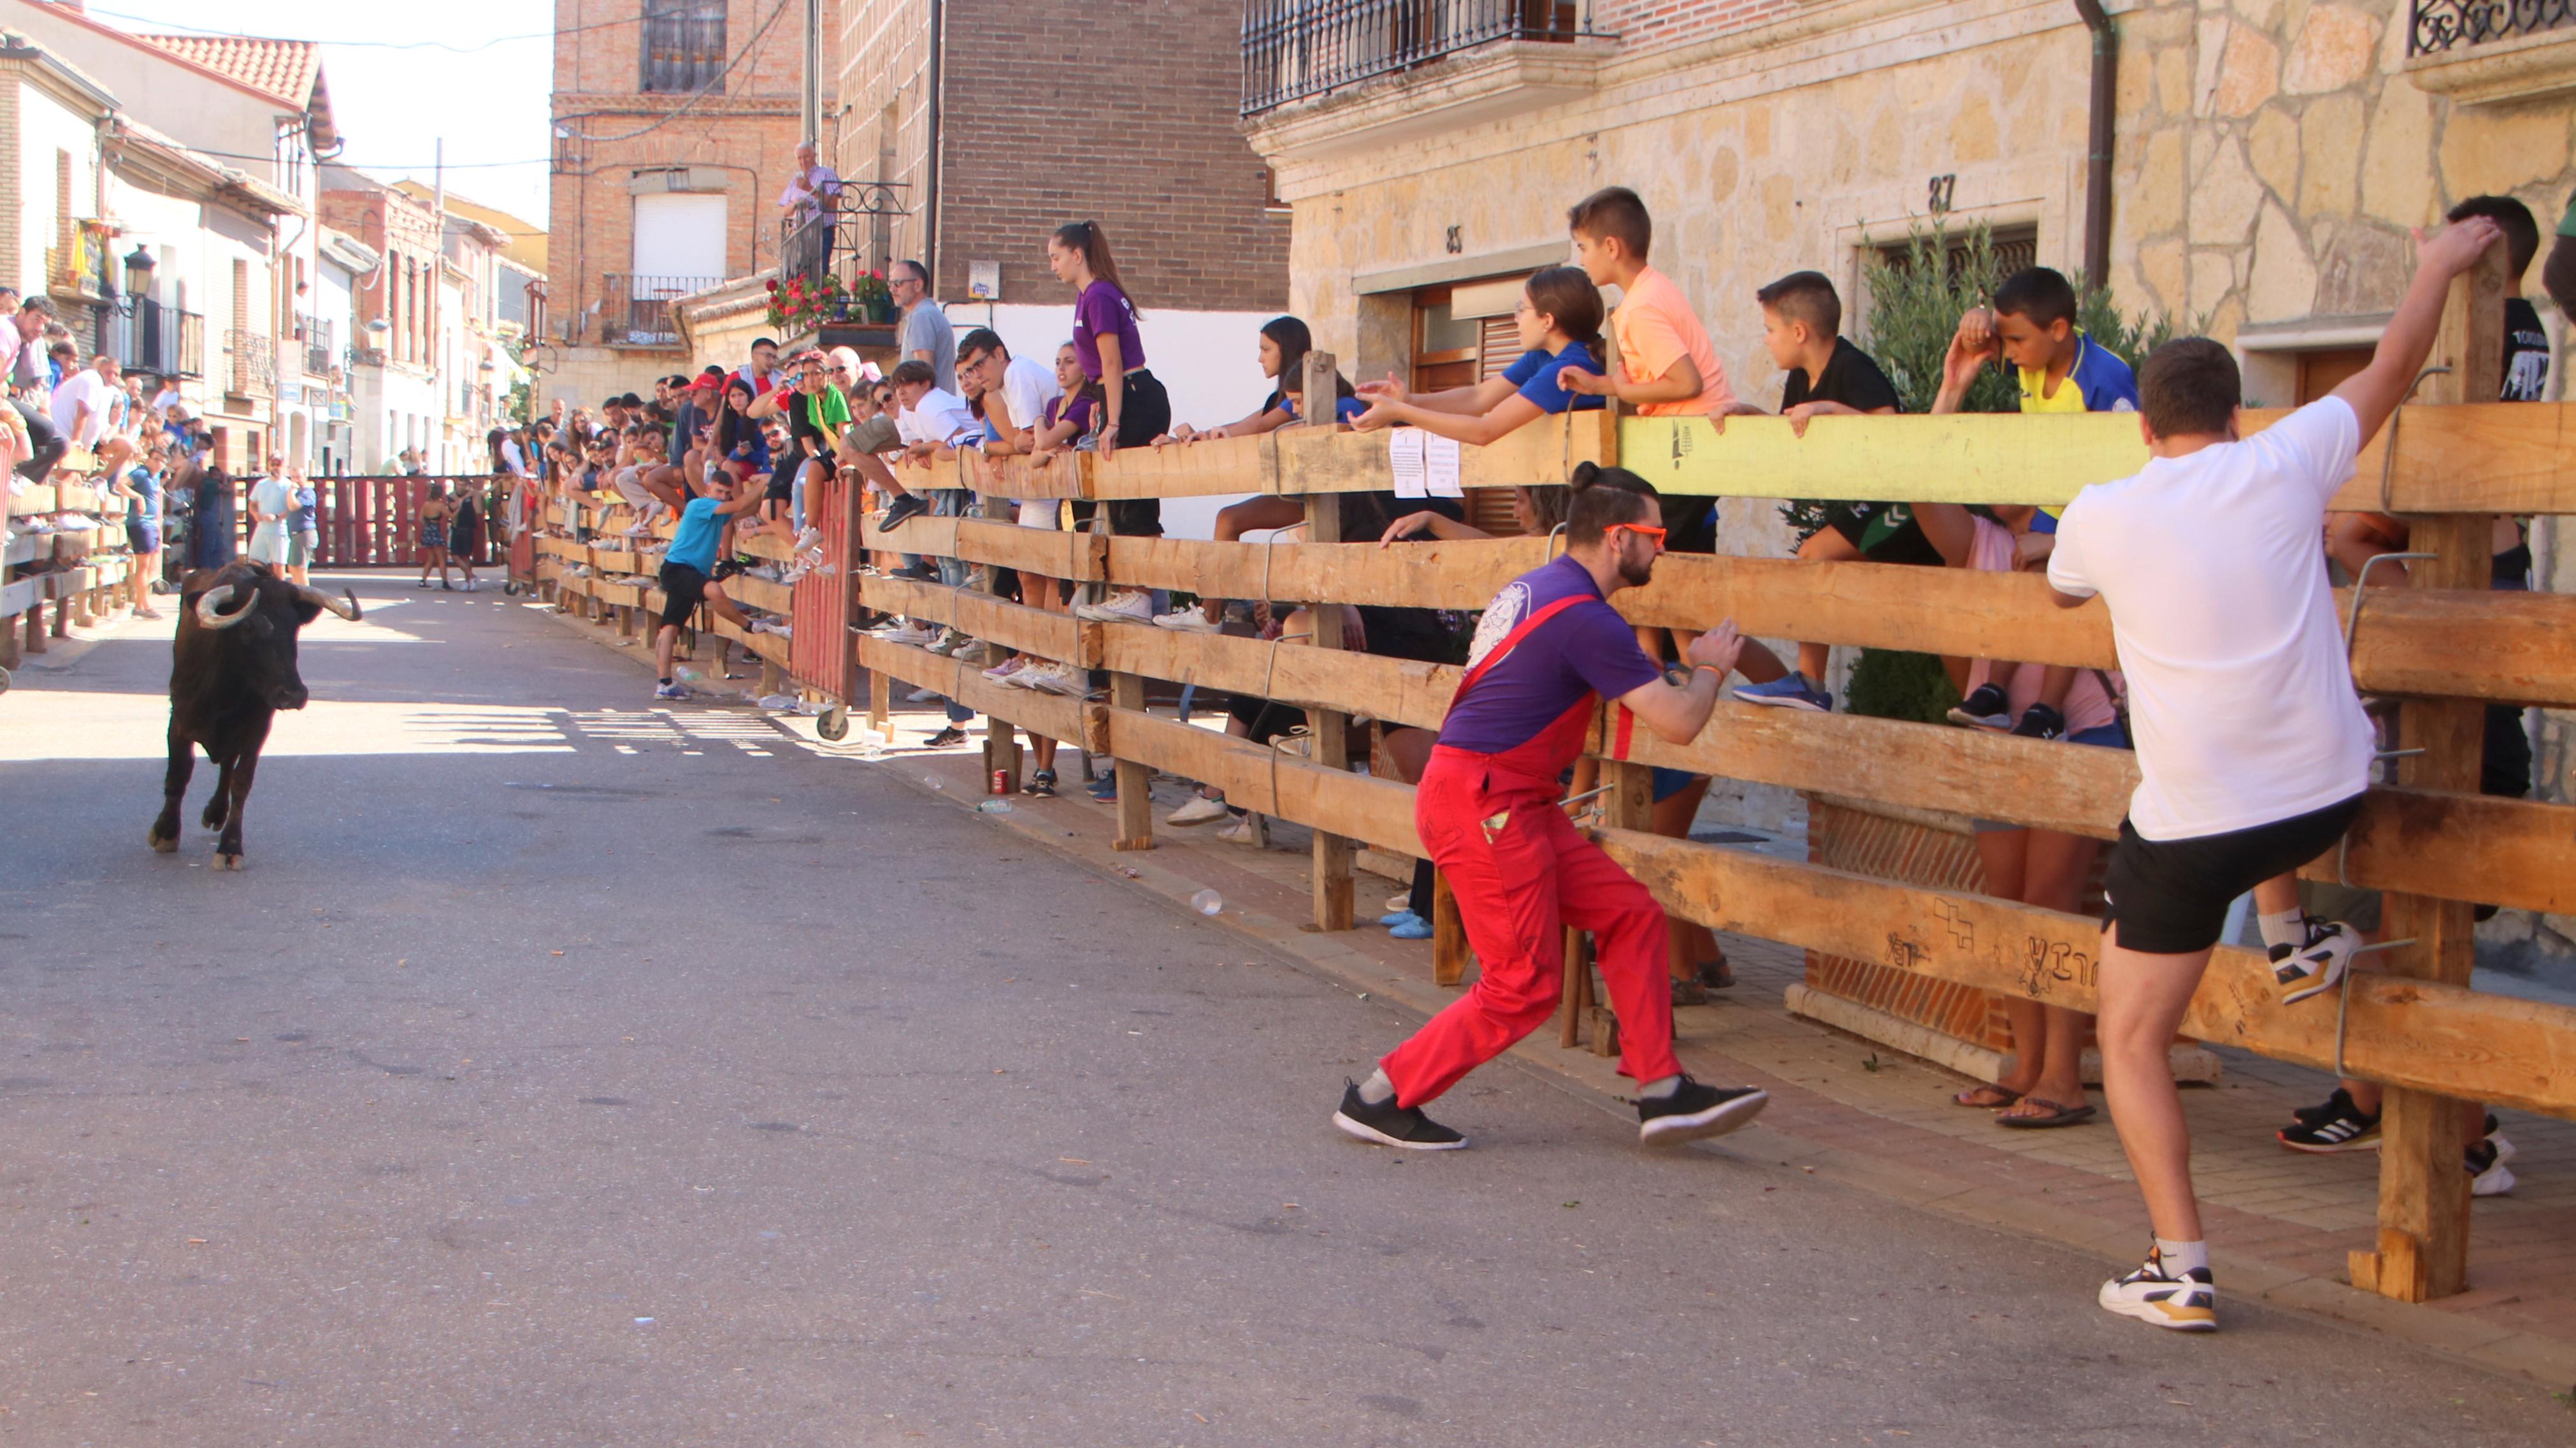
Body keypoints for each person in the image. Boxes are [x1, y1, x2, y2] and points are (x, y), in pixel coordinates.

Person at [2050, 216, 2505, 1334]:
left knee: (2127, 1036)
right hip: (2327, 792)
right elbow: (2392, 363)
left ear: (2146, 427)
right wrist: (2435, 265)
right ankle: (2294, 936)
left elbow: (2060, 593)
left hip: (2199, 824)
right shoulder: (2287, 459)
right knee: (2262, 777)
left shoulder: (2107, 510)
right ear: (2236, 416)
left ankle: (2178, 1266)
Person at [1330, 463, 1771, 1152]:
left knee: (1629, 914)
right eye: (1655, 535)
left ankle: (1660, 1090)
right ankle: (1379, 1096)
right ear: (1619, 537)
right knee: (1523, 985)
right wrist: (1711, 664)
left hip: (1504, 799)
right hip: (1487, 803)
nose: (1663, 549)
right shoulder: (1587, 619)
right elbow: (1679, 722)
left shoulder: (1537, 585)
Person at [2279, 196, 2543, 1197]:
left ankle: (2458, 1131)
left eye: (2440, 238)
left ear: (2478, 252)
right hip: (2440, 681)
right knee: (2390, 923)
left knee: (2409, 930)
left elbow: (2398, 420)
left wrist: (2442, 269)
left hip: (2458, 702)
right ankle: (2384, 1101)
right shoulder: (2511, 347)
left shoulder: (2488, 331)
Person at [1936, 266, 2140, 741]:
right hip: (2054, 500)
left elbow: (2130, 469)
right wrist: (1974, 320)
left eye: (2015, 342)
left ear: (2059, 331)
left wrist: (2062, 540)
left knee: (2066, 589)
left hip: (2096, 510)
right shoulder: (2032, 352)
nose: (2008, 355)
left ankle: (2046, 709)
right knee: (2026, 576)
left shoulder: (2104, 379)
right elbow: (1980, 343)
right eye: (2004, 341)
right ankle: (1995, 693)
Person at [1723, 271, 1909, 712]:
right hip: (1870, 503)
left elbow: (1895, 428)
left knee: (1814, 554)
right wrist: (1749, 415)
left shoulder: (1851, 367)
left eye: (1770, 330)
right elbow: (1793, 430)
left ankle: (1809, 685)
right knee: (1813, 555)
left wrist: (1831, 408)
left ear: (1799, 332)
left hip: (1905, 504)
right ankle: (1807, 683)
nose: (1766, 340)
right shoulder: (1802, 377)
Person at [1149, 316, 1358, 634]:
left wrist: (1208, 435)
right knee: (1228, 519)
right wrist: (1195, 437)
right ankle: (1213, 613)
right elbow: (1243, 426)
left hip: (1327, 498)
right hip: (1305, 494)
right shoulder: (1287, 397)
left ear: (1285, 350)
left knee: (1230, 520)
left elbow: (1256, 428)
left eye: (1266, 349)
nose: (1260, 357)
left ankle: (1212, 615)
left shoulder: (1302, 398)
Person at [1051, 221, 1171, 617]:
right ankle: (1132, 592)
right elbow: (1099, 369)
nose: (1053, 266)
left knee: (1132, 498)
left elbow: (1113, 361)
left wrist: (1114, 421)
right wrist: (1100, 400)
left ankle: (1142, 594)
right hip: (1119, 394)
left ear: (1077, 255)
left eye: (1056, 257)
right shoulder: (1090, 295)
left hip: (1136, 396)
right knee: (1119, 500)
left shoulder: (1100, 294)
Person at [1350, 267, 1607, 445]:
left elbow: (1485, 431)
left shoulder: (1568, 369)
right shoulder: (1543, 357)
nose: (1515, 318)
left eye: (1522, 309)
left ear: (1547, 321)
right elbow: (1479, 398)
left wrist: (1401, 412)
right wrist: (1408, 400)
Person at [652, 472, 770, 700]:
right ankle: (749, 626)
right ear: (708, 488)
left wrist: (760, 491)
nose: (722, 497)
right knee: (714, 590)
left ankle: (664, 683)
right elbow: (740, 503)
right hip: (678, 568)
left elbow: (748, 509)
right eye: (719, 491)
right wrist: (762, 483)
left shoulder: (719, 514)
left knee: (670, 628)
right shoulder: (699, 505)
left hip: (689, 573)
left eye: (727, 494)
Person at [779, 140, 843, 284]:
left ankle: (819, 301)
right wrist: (797, 204)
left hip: (822, 231)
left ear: (815, 156)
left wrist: (809, 189)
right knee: (799, 274)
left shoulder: (827, 174)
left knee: (819, 272)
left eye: (806, 157)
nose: (803, 161)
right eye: (799, 158)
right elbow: (785, 211)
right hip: (800, 235)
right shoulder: (795, 181)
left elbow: (833, 203)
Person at [112, 449, 165, 619]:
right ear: (148, 459)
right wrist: (137, 497)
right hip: (140, 523)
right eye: (156, 460)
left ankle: (140, 604)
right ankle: (145, 606)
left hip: (152, 524)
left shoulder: (156, 476)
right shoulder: (141, 473)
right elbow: (121, 483)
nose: (159, 464)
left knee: (149, 565)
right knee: (142, 565)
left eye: (162, 461)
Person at [889, 260, 956, 395]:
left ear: (918, 285)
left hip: (929, 410)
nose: (892, 290)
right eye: (890, 284)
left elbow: (923, 375)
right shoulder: (929, 314)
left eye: (898, 283)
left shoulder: (922, 317)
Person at [245, 459, 294, 570]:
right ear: (268, 466)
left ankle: (280, 587)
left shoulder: (288, 485)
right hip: (261, 529)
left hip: (280, 530)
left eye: (278, 465)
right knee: (255, 562)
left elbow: (292, 509)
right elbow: (252, 504)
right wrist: (255, 514)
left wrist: (276, 517)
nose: (275, 467)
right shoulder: (261, 484)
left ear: (284, 467)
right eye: (272, 465)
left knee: (278, 565)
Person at [285, 464, 320, 588]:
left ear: (306, 478)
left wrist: (291, 490)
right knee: (293, 568)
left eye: (299, 477)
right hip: (296, 534)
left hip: (305, 533)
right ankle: (298, 594)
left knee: (300, 569)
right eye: (293, 477)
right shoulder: (295, 493)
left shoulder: (307, 493)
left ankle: (307, 597)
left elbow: (293, 506)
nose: (296, 480)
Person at [415, 481, 454, 590]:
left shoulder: (426, 504)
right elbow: (450, 516)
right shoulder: (440, 505)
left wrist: (428, 524)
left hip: (427, 530)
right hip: (435, 531)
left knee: (431, 558)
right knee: (441, 558)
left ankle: (423, 580)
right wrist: (458, 510)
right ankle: (445, 582)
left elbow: (420, 519)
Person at [449, 481, 484, 592]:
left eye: (463, 485)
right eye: (459, 484)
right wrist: (462, 500)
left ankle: (468, 580)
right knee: (454, 555)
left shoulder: (473, 495)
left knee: (466, 556)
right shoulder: (452, 496)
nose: (461, 487)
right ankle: (471, 576)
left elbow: (481, 496)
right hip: (457, 527)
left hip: (469, 528)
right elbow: (453, 507)